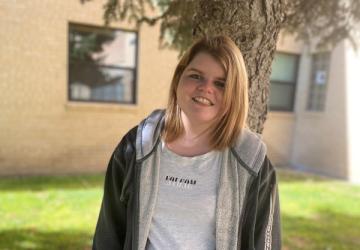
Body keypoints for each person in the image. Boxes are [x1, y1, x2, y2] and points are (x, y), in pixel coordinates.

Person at [92, 35, 281, 250]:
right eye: (196, 76)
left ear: (234, 95)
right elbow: (108, 236)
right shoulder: (135, 148)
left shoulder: (252, 164)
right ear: (178, 79)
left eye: (221, 83)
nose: (205, 88)